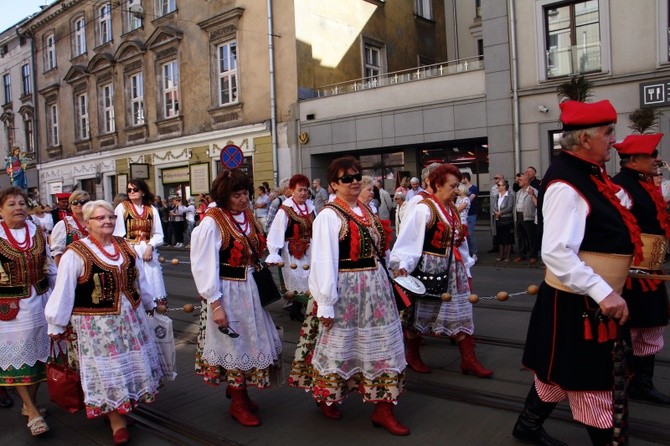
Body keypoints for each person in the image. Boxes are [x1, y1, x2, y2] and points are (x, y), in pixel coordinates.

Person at [513, 100, 637, 446]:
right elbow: (555, 252)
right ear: (585, 139)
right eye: (608, 133)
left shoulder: (588, 174)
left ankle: (527, 425)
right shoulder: (567, 183)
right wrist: (604, 292)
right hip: (578, 302)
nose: (614, 140)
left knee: (557, 375)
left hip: (587, 298)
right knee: (593, 384)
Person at [303, 156, 408, 435]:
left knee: (384, 345)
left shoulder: (367, 209)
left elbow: (380, 247)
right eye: (346, 178)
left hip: (377, 288)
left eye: (356, 176)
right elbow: (323, 261)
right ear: (333, 185)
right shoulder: (328, 215)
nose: (353, 182)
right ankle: (327, 396)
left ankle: (383, 409)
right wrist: (325, 303)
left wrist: (395, 267)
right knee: (341, 346)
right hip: (347, 291)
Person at [46, 200, 162, 445]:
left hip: (131, 318)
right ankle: (116, 419)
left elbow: (139, 280)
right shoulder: (76, 253)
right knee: (107, 370)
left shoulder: (126, 247)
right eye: (100, 218)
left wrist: (151, 303)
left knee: (128, 364)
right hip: (97, 325)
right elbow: (64, 290)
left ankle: (124, 404)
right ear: (87, 223)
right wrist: (56, 324)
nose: (107, 221)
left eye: (110, 217)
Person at [190, 169, 282, 428]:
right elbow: (202, 265)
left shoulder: (248, 215)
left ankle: (242, 392)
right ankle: (237, 401)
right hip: (226, 291)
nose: (243, 199)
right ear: (224, 196)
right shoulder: (212, 222)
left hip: (249, 289)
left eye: (245, 193)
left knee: (250, 343)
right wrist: (215, 303)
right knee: (234, 345)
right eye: (236, 194)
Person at [391, 164, 492, 378]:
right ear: (437, 185)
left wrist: (465, 262)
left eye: (458, 186)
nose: (456, 190)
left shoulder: (451, 208)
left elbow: (457, 241)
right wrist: (402, 267)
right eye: (453, 186)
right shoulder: (423, 208)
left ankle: (469, 359)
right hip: (428, 270)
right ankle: (413, 355)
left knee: (462, 313)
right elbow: (409, 242)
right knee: (418, 316)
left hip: (452, 271)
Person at [611, 132, 670, 404]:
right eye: (652, 155)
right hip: (634, 273)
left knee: (650, 324)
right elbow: (614, 228)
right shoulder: (622, 186)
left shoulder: (645, 183)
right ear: (633, 160)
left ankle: (642, 382)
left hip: (651, 270)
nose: (657, 159)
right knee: (634, 326)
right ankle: (631, 381)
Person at [0, 187, 57, 436]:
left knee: (39, 358)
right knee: (18, 360)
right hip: (9, 308)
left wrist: (59, 300)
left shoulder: (38, 232)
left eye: (22, 203)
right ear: (1, 210)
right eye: (11, 204)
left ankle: (28, 404)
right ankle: (33, 413)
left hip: (40, 300)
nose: (18, 208)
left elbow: (50, 266)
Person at [265, 174, 315, 322]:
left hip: (310, 248)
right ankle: (296, 309)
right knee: (297, 277)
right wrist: (274, 252)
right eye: (300, 190)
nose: (303, 193)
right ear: (292, 190)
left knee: (310, 278)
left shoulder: (310, 207)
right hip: (292, 250)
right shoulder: (285, 209)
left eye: (305, 190)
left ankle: (303, 309)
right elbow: (276, 230)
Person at [113, 179, 167, 305]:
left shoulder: (151, 209)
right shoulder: (122, 208)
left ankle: (155, 313)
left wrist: (150, 246)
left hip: (148, 251)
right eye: (129, 190)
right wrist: (129, 250)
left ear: (143, 192)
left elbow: (159, 233)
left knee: (152, 282)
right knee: (135, 282)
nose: (132, 192)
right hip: (130, 250)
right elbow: (118, 234)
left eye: (135, 189)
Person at [50, 190, 90, 265]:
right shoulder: (63, 225)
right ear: (70, 205)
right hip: (71, 267)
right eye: (75, 202)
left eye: (83, 202)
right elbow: (57, 254)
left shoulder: (94, 222)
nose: (79, 205)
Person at [513, 173, 539, 264]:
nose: (518, 181)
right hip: (519, 215)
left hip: (528, 216)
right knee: (521, 236)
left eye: (520, 180)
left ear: (526, 181)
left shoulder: (533, 190)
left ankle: (533, 255)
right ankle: (522, 254)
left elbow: (536, 203)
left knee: (531, 237)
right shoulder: (519, 192)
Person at [492, 180, 515, 262]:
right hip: (499, 219)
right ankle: (501, 255)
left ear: (504, 186)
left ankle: (508, 256)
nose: (497, 187)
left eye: (499, 185)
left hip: (507, 219)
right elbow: (493, 205)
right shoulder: (497, 196)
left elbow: (510, 207)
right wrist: (496, 212)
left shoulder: (510, 196)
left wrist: (500, 212)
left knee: (508, 239)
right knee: (500, 238)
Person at [461, 173, 479, 260]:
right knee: (465, 235)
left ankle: (474, 253)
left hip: (471, 214)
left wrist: (463, 196)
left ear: (466, 178)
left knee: (470, 234)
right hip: (463, 215)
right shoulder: (461, 188)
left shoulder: (474, 188)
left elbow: (470, 199)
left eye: (462, 178)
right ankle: (468, 252)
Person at [488, 174, 503, 253]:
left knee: (504, 230)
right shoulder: (493, 188)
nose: (495, 179)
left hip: (502, 212)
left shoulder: (506, 186)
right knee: (494, 229)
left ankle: (506, 247)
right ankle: (495, 246)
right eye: (495, 178)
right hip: (494, 211)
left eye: (497, 178)